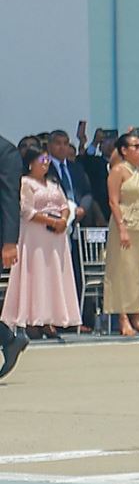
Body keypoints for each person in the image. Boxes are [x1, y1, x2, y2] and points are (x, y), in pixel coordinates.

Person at [1, 142, 82, 340]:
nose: (46, 164)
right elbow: (26, 210)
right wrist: (50, 220)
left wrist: (63, 220)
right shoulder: (26, 183)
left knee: (52, 275)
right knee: (35, 274)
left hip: (54, 238)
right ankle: (32, 318)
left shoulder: (53, 184)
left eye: (47, 160)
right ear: (31, 163)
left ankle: (49, 318)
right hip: (34, 235)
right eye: (42, 160)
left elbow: (64, 204)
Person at [103, 133, 139, 337]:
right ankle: (123, 317)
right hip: (125, 224)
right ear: (124, 150)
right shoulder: (118, 170)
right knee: (124, 271)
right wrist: (122, 227)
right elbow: (113, 201)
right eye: (135, 146)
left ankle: (137, 317)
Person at [45, 130, 94, 325]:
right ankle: (54, 319)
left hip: (76, 226)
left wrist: (83, 208)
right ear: (49, 146)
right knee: (55, 273)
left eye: (65, 143)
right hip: (54, 227)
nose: (62, 147)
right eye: (57, 143)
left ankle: (78, 318)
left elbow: (88, 192)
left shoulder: (76, 168)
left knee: (75, 272)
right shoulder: (45, 168)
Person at [0, 132, 29, 377]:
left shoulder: (5, 152)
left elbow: (10, 197)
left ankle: (8, 338)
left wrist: (10, 242)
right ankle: (8, 338)